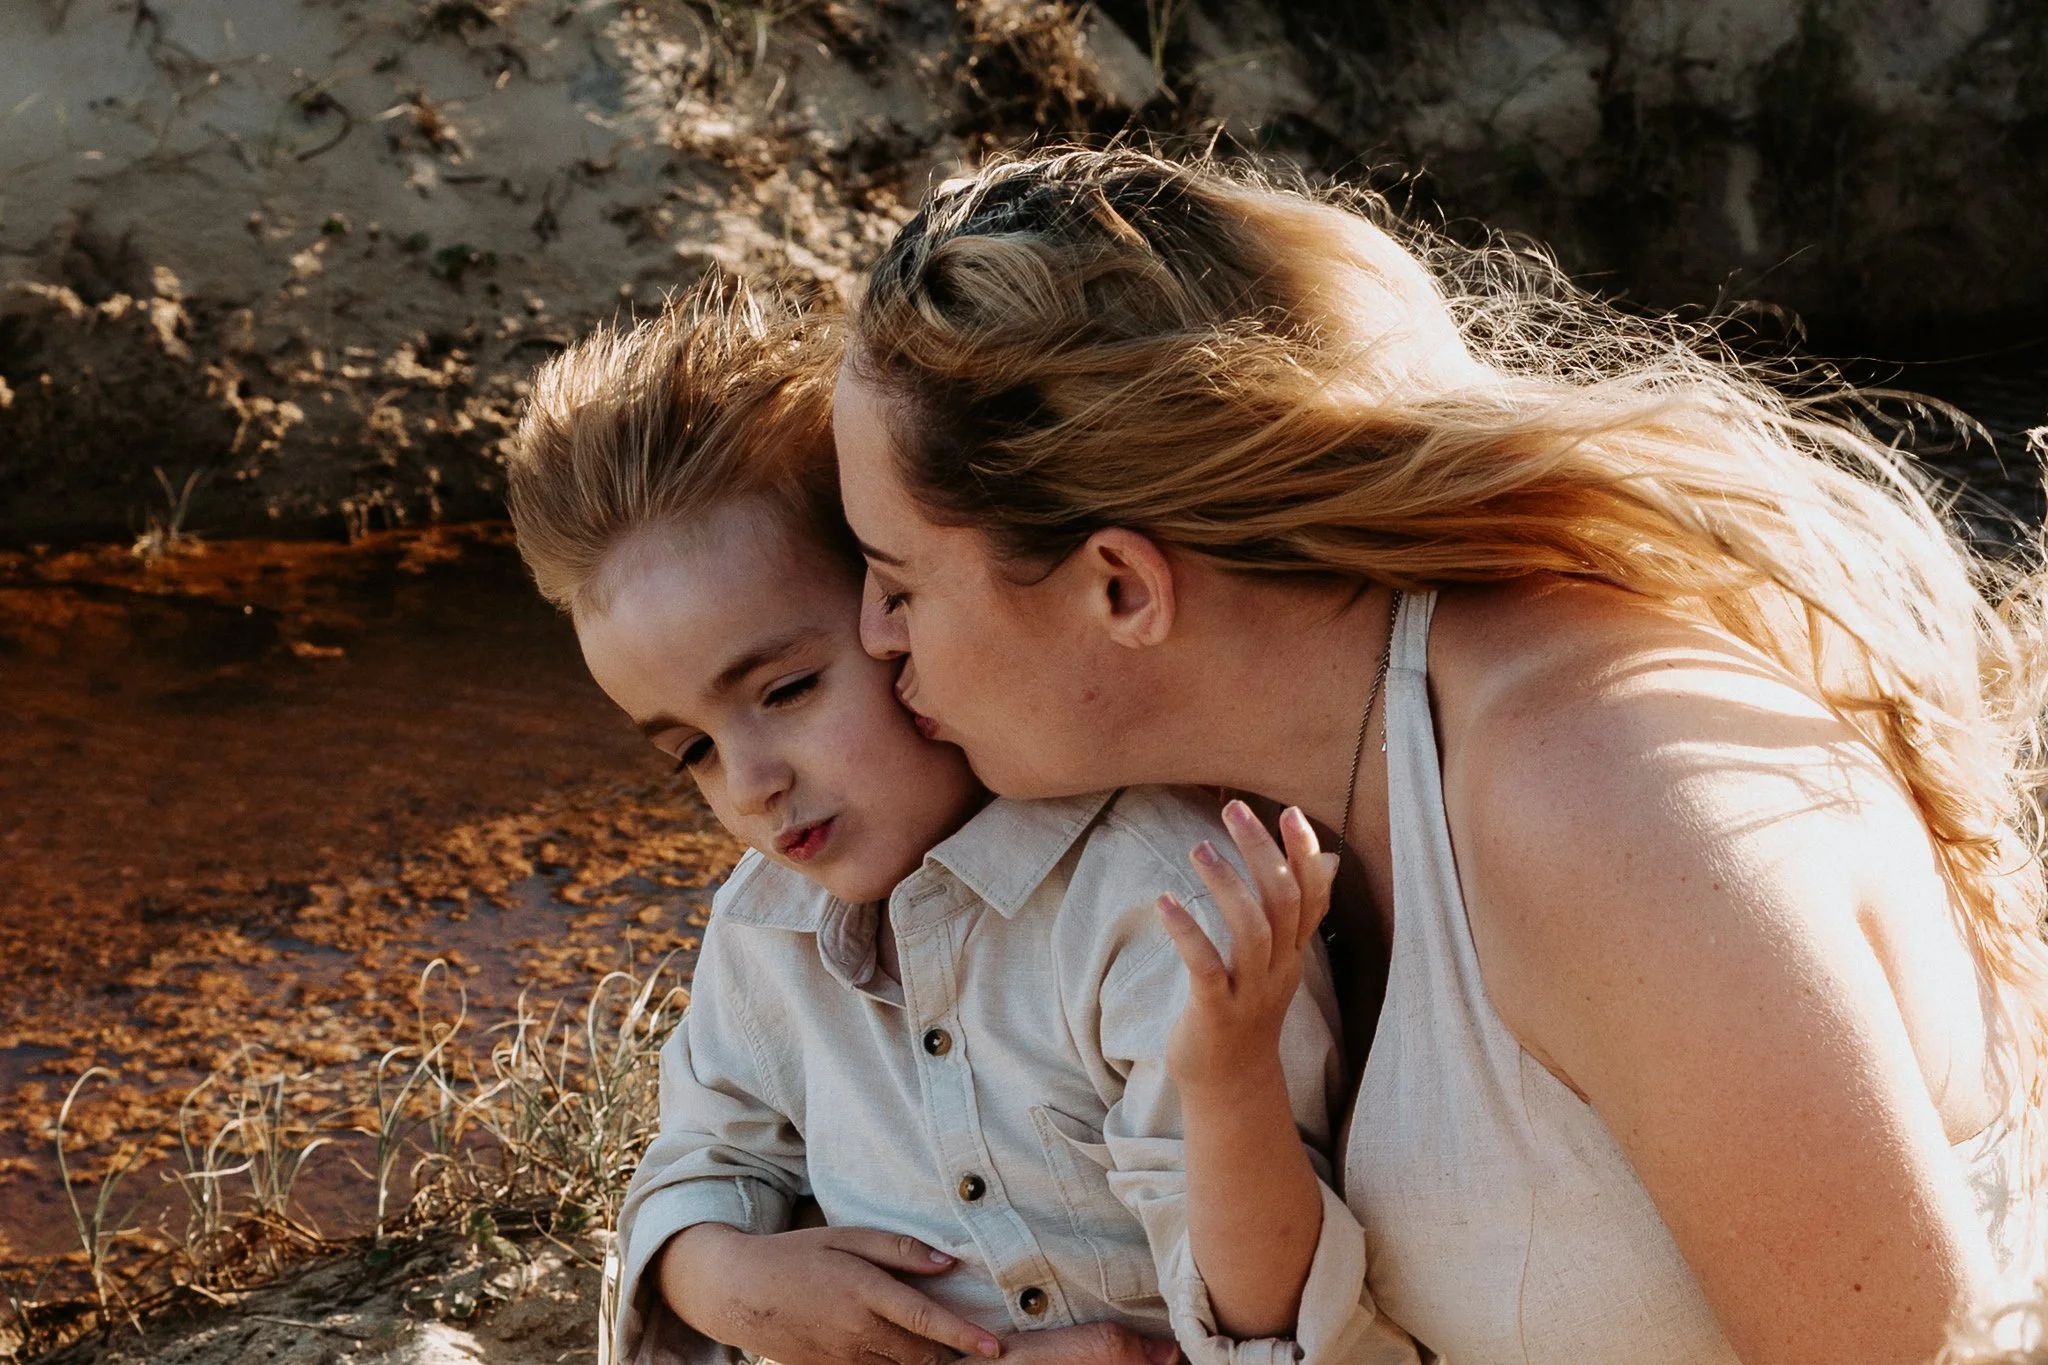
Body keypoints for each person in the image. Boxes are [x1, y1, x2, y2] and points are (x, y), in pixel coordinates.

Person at [832, 146, 2048, 1365]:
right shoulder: (1213, 804)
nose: (870, 638)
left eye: (894, 583)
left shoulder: (1601, 793)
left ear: (1119, 587)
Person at [502, 282, 1410, 1365]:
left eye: (787, 690)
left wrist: (1226, 1081)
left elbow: (1272, 1318)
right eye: (689, 750)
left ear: (899, 610)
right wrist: (716, 1273)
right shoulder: (765, 929)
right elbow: (704, 1146)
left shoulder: (1155, 901)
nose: (746, 783)